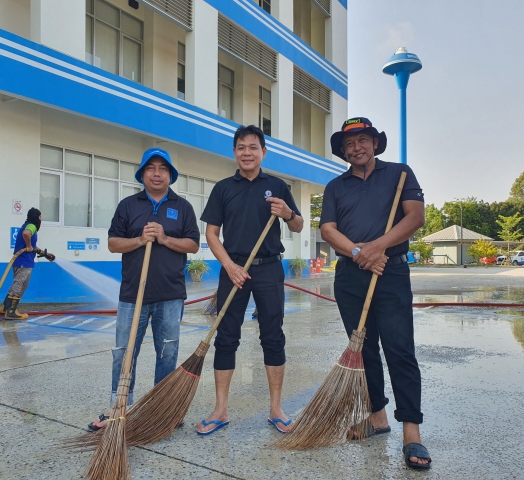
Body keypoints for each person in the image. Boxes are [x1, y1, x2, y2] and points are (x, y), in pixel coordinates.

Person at [320, 117, 431, 469]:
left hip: (391, 271)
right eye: (349, 144)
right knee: (364, 349)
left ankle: (411, 431)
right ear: (343, 151)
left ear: (375, 144)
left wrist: (378, 247)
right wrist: (359, 253)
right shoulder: (335, 187)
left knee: (400, 349)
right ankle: (378, 417)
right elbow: (327, 230)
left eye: (363, 140)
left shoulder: (400, 174)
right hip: (350, 276)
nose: (357, 148)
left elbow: (415, 217)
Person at [196, 125, 304, 436]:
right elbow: (211, 234)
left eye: (253, 147)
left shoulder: (278, 186)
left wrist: (287, 213)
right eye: (241, 147)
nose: (247, 152)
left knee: (273, 336)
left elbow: (298, 226)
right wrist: (229, 266)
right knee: (226, 336)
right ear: (234, 152)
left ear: (263, 152)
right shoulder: (223, 188)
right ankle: (220, 410)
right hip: (234, 269)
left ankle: (276, 409)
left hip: (269, 269)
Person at [88, 148, 200, 431]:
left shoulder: (183, 207)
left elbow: (193, 244)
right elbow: (113, 243)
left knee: (168, 352)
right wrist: (140, 240)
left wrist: (164, 238)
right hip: (132, 294)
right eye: (151, 168)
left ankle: (161, 409)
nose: (157, 173)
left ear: (170, 174)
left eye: (163, 168)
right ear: (142, 174)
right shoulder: (128, 205)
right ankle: (118, 406)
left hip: (170, 295)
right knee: (123, 352)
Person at [2, 208, 54, 320]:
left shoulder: (26, 225)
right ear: (37, 217)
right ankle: (11, 311)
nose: (41, 219)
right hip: (24, 261)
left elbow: (32, 246)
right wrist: (29, 246)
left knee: (18, 284)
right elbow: (26, 234)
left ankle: (6, 307)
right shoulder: (31, 226)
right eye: (40, 217)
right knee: (20, 284)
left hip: (21, 261)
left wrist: (45, 254)